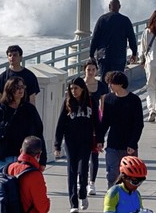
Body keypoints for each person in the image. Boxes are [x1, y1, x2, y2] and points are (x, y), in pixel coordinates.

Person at [54, 78, 101, 212]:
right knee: (72, 171)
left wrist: (99, 140)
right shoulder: (68, 102)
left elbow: (96, 122)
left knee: (82, 169)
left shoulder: (91, 102)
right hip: (70, 142)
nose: (74, 91)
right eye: (71, 89)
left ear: (82, 89)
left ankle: (82, 194)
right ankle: (73, 204)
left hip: (85, 142)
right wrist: (57, 145)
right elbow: (60, 124)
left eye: (76, 88)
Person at [0, 76, 47, 174]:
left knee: (20, 189)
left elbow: (39, 134)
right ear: (9, 89)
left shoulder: (29, 109)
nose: (20, 90)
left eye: (22, 87)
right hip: (2, 158)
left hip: (24, 159)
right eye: (17, 87)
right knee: (3, 187)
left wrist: (43, 160)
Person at [98, 71, 144, 188]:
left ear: (120, 84)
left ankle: (127, 199)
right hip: (113, 143)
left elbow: (139, 124)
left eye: (112, 83)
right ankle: (111, 196)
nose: (110, 86)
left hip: (129, 145)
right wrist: (100, 139)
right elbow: (105, 122)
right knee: (112, 173)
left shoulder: (134, 100)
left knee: (129, 175)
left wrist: (133, 144)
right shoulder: (108, 99)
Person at [89, 0, 138, 77]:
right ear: (119, 7)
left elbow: (95, 38)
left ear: (109, 6)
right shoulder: (125, 20)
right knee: (117, 81)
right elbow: (132, 38)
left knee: (104, 81)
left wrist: (91, 54)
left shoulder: (102, 19)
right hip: (119, 57)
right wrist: (134, 53)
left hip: (103, 56)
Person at [84, 58, 109, 196]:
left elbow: (103, 105)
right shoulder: (79, 84)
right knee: (82, 153)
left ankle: (92, 183)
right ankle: (81, 178)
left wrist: (102, 123)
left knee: (94, 153)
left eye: (93, 70)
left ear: (96, 70)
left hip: (95, 122)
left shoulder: (101, 86)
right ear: (84, 70)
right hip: (81, 122)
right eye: (88, 70)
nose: (91, 72)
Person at [6, 136, 51, 213]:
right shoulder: (35, 175)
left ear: (21, 151)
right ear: (38, 155)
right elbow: (42, 207)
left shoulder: (9, 168)